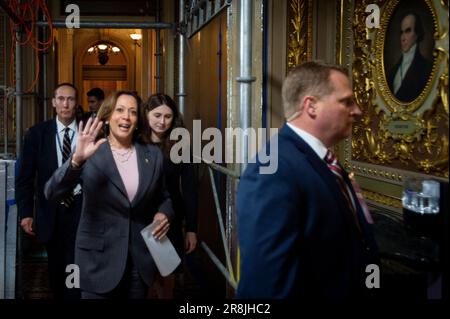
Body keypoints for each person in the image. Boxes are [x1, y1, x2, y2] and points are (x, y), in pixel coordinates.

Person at [236, 61, 379, 298]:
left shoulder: (322, 160)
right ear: (311, 106)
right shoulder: (272, 171)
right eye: (346, 102)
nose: (357, 111)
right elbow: (265, 287)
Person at [44, 91, 174, 299]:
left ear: (138, 120)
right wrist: (76, 161)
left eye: (132, 112)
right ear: (107, 117)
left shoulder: (152, 155)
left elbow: (164, 197)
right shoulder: (91, 152)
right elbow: (52, 192)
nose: (126, 116)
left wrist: (163, 214)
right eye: (120, 110)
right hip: (97, 261)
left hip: (138, 262)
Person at [15, 83, 82, 299]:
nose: (65, 104)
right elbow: (25, 177)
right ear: (53, 102)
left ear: (76, 102)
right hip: (50, 213)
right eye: (61, 99)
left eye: (70, 99)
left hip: (82, 211)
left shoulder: (88, 132)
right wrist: (26, 213)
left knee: (78, 268)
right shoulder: (37, 134)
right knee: (56, 271)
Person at [141, 93, 198, 298]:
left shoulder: (180, 145)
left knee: (168, 274)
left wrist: (191, 228)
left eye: (168, 116)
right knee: (144, 277)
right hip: (141, 218)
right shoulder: (136, 142)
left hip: (171, 218)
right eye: (157, 115)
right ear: (146, 114)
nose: (162, 121)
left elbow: (190, 188)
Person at [387, 12, 432, 102]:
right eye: (401, 32)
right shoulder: (392, 72)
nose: (403, 38)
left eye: (407, 31)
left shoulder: (427, 68)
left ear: (417, 33)